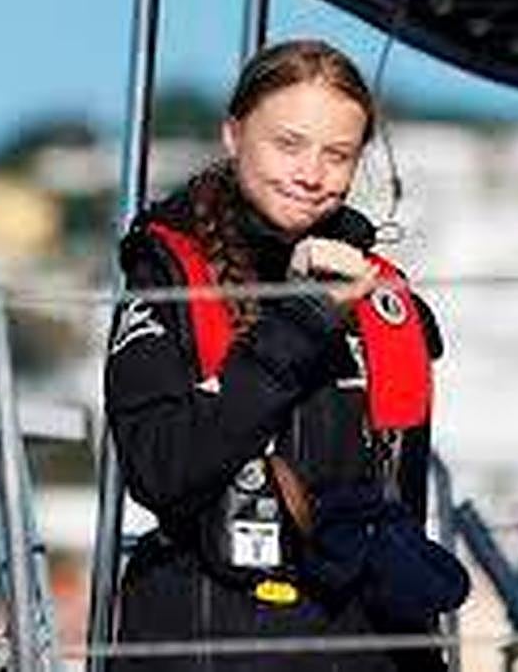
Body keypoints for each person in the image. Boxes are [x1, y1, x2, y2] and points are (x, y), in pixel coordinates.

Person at [102, 39, 464, 671]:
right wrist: (301, 322)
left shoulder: (385, 300)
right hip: (211, 641)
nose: (311, 174)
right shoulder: (166, 277)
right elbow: (160, 469)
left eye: (336, 154)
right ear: (233, 134)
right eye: (288, 144)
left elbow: (400, 511)